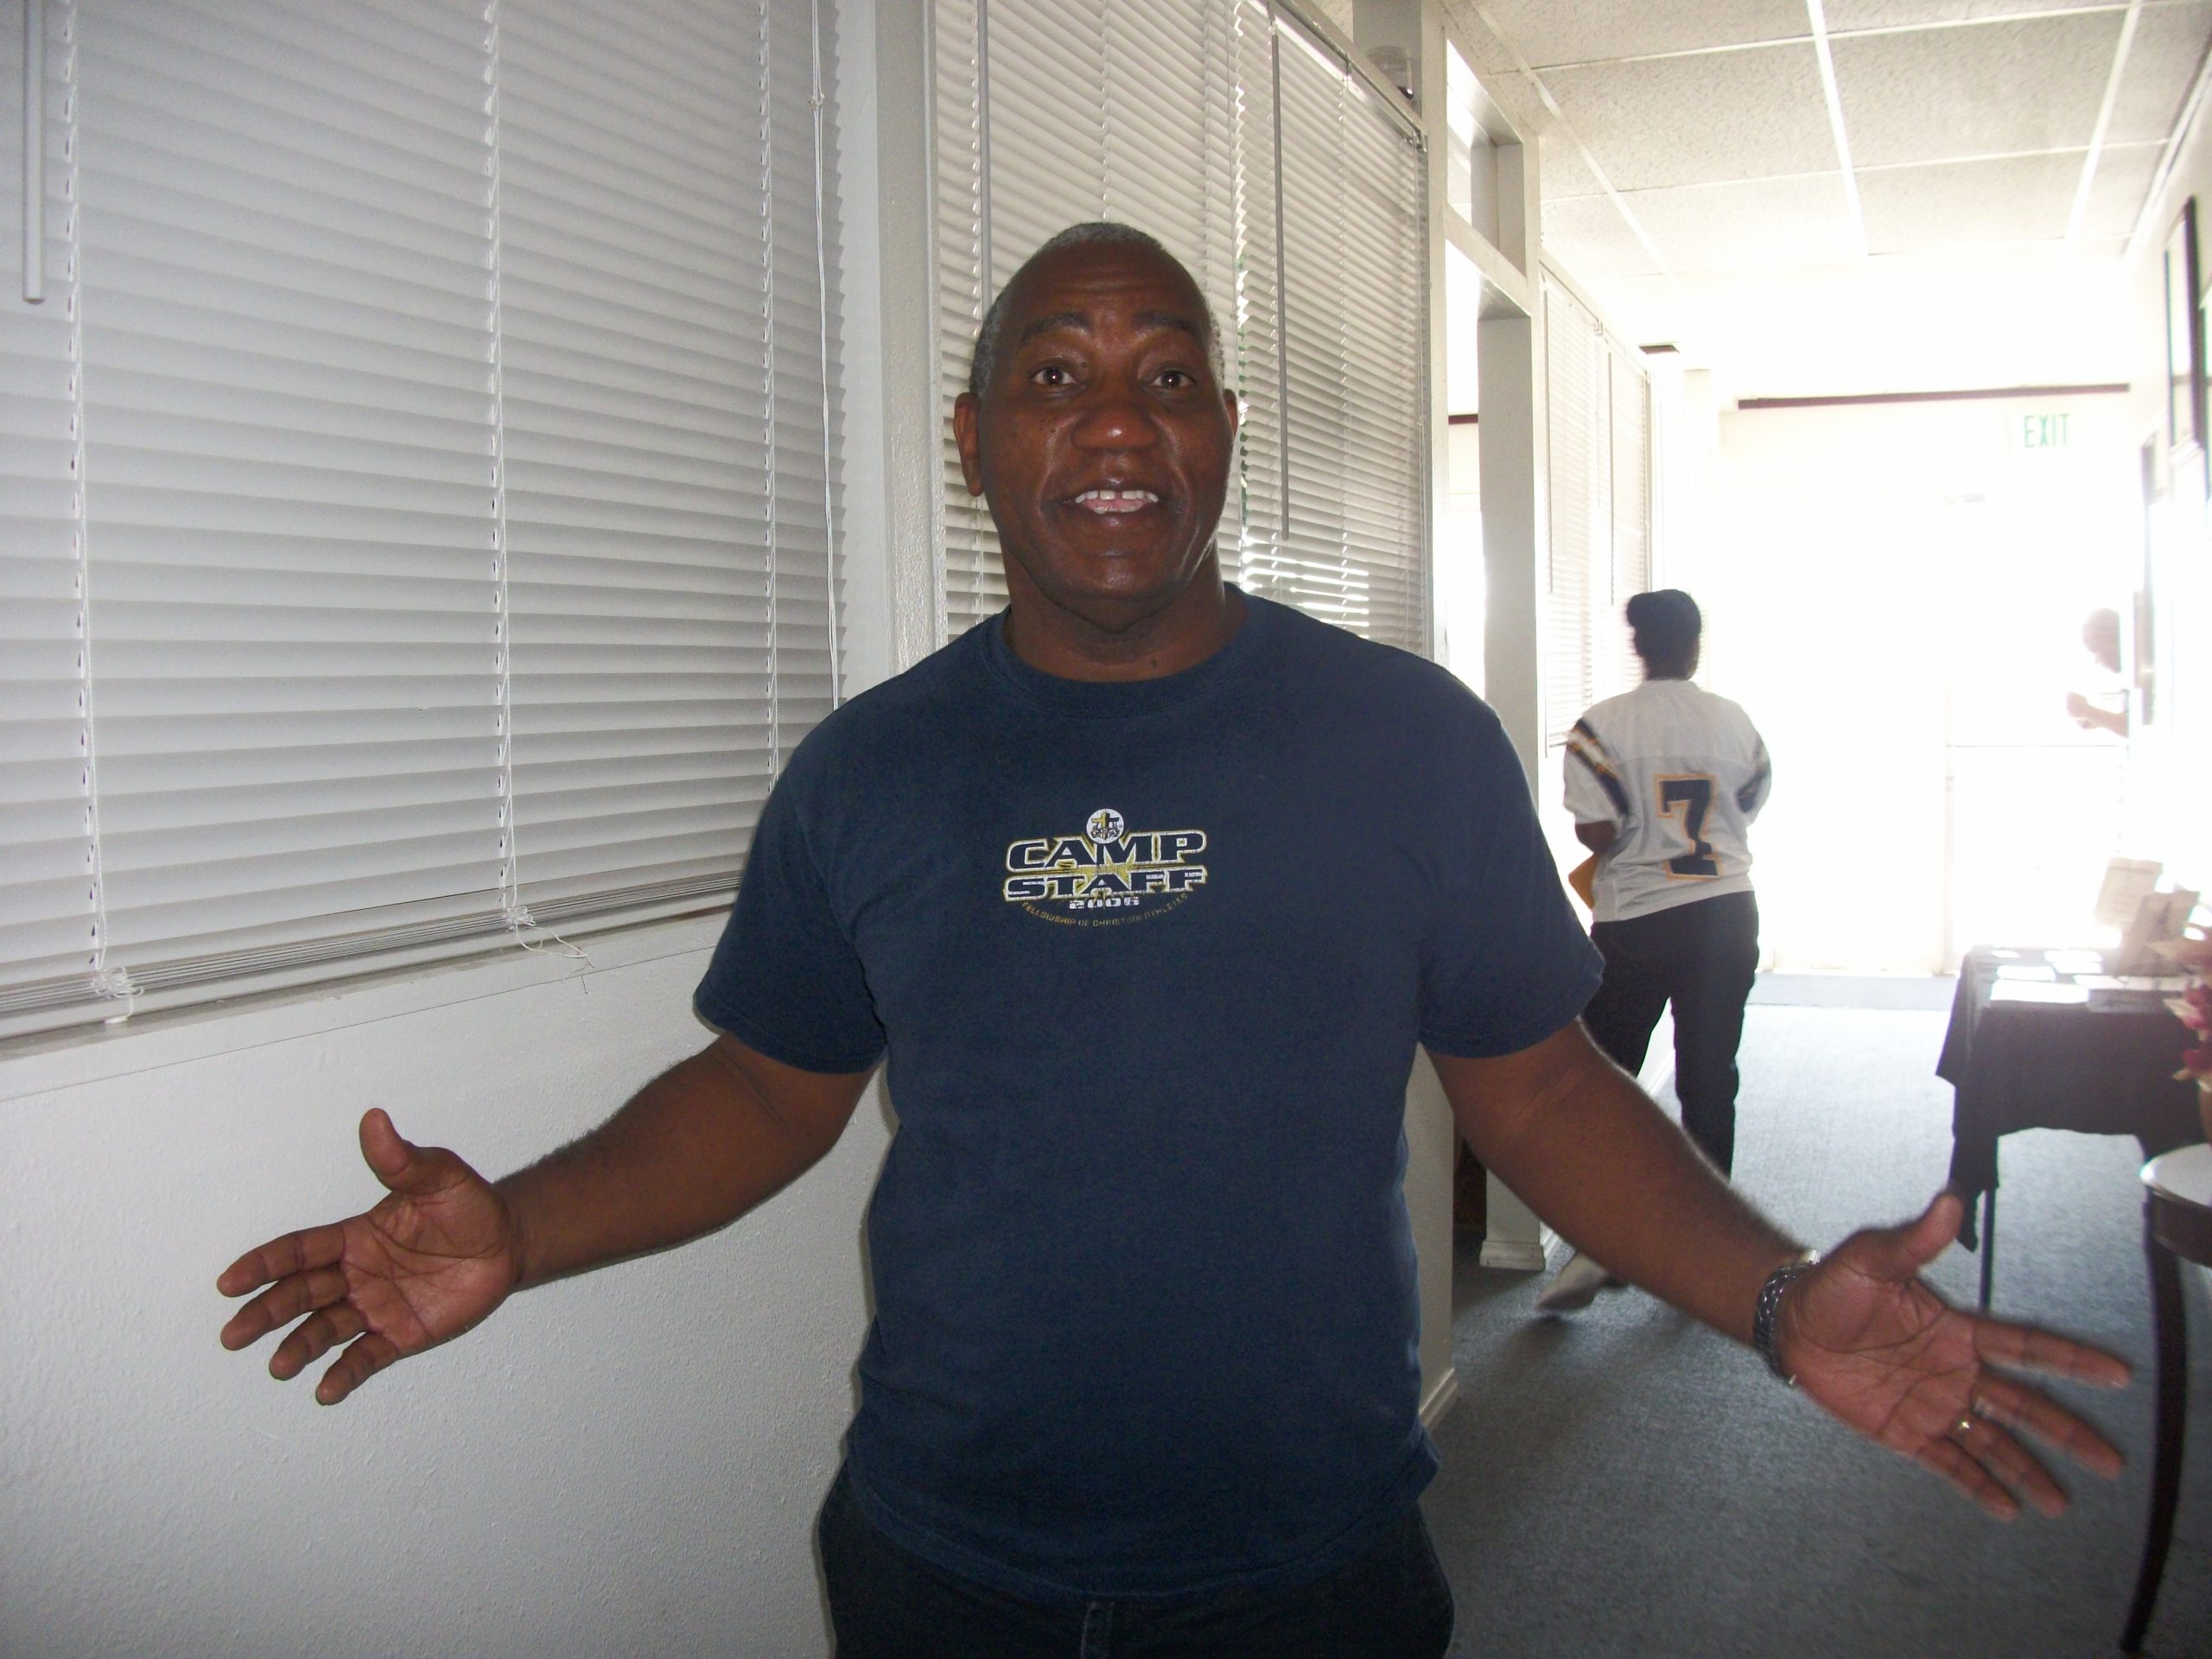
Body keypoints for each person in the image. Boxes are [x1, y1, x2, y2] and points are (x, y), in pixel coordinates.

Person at [218, 225, 2127, 1659]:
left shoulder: (1403, 742)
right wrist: (521, 1226)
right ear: (974, 441)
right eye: (1055, 374)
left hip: (1312, 1572)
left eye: (1168, 374)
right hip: (938, 1565)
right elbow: (767, 1091)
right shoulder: (869, 774)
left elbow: (1542, 1096)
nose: (1117, 418)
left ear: (1221, 433)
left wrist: (1776, 1301)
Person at [1540, 590, 1769, 1313]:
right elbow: (1747, 802)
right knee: (1710, 1079)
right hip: (1725, 915)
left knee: (1605, 1087)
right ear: (1696, 644)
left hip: (1637, 921)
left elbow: (1597, 832)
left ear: (1638, 645)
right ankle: (1711, 1250)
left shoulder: (1603, 725)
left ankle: (1603, 1241)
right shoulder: (1734, 721)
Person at [2065, 606, 2129, 737]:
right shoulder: (2131, 679)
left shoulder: (2146, 674)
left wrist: (2086, 711)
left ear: (2113, 638)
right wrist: (2097, 721)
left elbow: (2136, 729)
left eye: (2094, 649)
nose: (2096, 660)